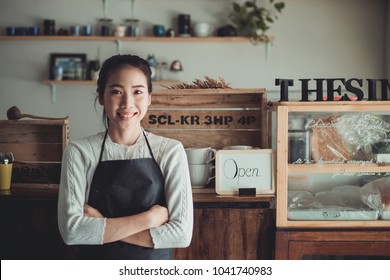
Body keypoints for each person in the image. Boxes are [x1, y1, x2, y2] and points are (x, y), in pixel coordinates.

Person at [58, 54, 193, 260]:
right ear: (102, 97)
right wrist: (149, 218)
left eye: (137, 91)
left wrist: (101, 223)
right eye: (116, 91)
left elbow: (180, 236)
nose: (127, 103)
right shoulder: (79, 151)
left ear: (149, 97)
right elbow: (72, 232)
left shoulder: (170, 151)